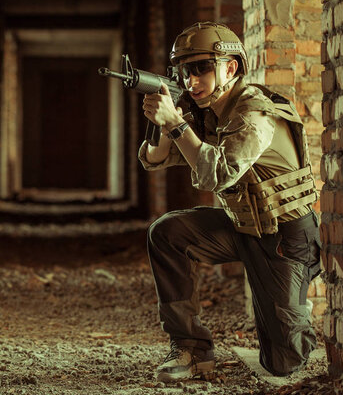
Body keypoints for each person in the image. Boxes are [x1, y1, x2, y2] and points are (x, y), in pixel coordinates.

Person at [138, 21, 322, 382]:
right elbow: (156, 160)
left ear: (231, 67)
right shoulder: (210, 111)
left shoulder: (254, 110)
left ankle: (293, 302)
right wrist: (164, 125)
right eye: (184, 70)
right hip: (242, 226)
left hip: (284, 237)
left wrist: (177, 124)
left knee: (284, 361)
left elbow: (217, 173)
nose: (192, 79)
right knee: (168, 232)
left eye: (202, 67)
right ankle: (191, 348)